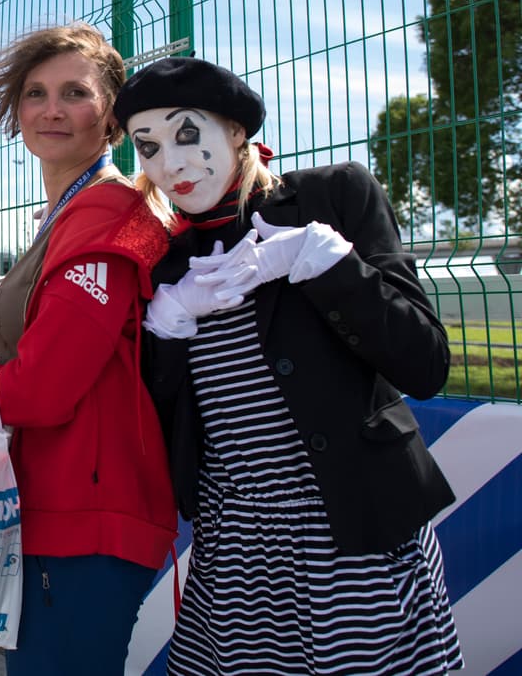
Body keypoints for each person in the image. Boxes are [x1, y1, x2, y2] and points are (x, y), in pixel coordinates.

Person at [112, 56, 463, 674]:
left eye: (187, 133)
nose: (171, 163)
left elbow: (425, 363)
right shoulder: (164, 255)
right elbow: (164, 422)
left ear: (236, 130)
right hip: (235, 543)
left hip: (352, 526)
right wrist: (164, 327)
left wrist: (329, 264)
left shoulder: (333, 196)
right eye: (148, 147)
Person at [0, 22, 178, 675]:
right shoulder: (69, 214)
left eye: (75, 92)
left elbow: (42, 388)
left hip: (86, 519)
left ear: (111, 117)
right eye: (35, 92)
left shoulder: (108, 210)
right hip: (54, 506)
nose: (51, 109)